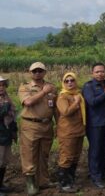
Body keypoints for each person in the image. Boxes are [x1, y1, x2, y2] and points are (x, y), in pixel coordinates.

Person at [18, 62, 57, 195]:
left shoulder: (52, 87)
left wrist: (58, 124)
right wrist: (43, 92)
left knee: (44, 154)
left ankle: (43, 180)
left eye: (40, 71)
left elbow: (55, 107)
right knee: (29, 154)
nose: (37, 73)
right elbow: (28, 102)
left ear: (45, 72)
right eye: (34, 71)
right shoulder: (25, 87)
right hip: (30, 125)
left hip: (47, 125)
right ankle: (31, 183)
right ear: (30, 73)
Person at [82, 62, 105, 189]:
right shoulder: (88, 86)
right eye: (97, 72)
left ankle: (103, 170)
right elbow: (92, 102)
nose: (100, 74)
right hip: (95, 123)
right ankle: (95, 176)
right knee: (95, 150)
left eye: (102, 71)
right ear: (92, 73)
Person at [56, 72, 86, 193]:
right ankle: (64, 184)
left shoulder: (78, 94)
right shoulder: (62, 97)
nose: (69, 83)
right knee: (66, 157)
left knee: (75, 157)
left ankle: (71, 179)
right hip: (67, 132)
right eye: (66, 81)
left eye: (72, 80)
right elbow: (65, 112)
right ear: (63, 83)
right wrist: (76, 102)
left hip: (78, 131)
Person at [0, 76, 17, 194]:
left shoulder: (7, 98)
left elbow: (13, 118)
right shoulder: (5, 101)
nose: (1, 88)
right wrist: (5, 107)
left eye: (3, 85)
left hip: (6, 135)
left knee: (4, 162)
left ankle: (0, 185)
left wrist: (14, 131)